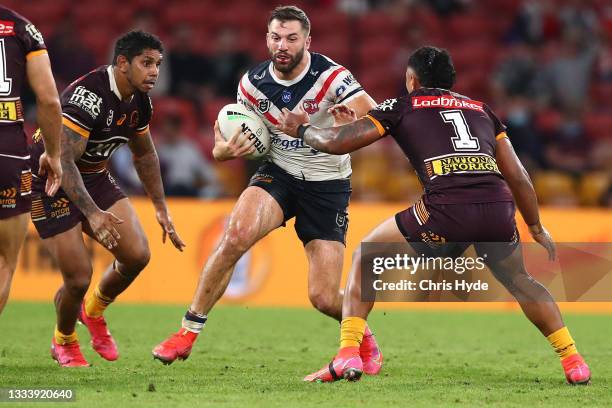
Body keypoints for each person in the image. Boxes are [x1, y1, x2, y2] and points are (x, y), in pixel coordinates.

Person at [277, 46, 591, 385]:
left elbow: (336, 144)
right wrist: (535, 226)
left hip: (446, 211)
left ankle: (348, 354)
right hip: (497, 209)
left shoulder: (402, 105)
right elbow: (517, 176)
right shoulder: (481, 110)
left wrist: (302, 129)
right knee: (521, 282)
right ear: (451, 81)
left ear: (412, 79)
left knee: (367, 256)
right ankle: (574, 361)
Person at [152, 6, 384, 375]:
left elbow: (371, 113)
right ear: (266, 39)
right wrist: (223, 152)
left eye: (292, 38)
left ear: (308, 41)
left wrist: (345, 121)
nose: (283, 45)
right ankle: (186, 332)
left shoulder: (331, 76)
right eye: (276, 37)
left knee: (323, 297)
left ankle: (363, 337)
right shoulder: (252, 83)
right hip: (278, 173)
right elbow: (223, 142)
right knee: (235, 235)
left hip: (327, 185)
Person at [30, 30, 185, 367]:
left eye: (158, 64)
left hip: (93, 174)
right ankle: (64, 340)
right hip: (50, 178)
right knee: (78, 277)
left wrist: (160, 206)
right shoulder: (89, 96)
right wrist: (94, 214)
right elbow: (65, 161)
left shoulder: (140, 102)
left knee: (137, 255)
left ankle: (94, 311)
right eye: (146, 63)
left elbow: (144, 156)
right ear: (122, 63)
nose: (155, 71)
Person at [0, 6, 62, 316]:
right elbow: (49, 99)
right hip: (7, 152)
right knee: (5, 260)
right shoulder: (22, 29)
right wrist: (53, 153)